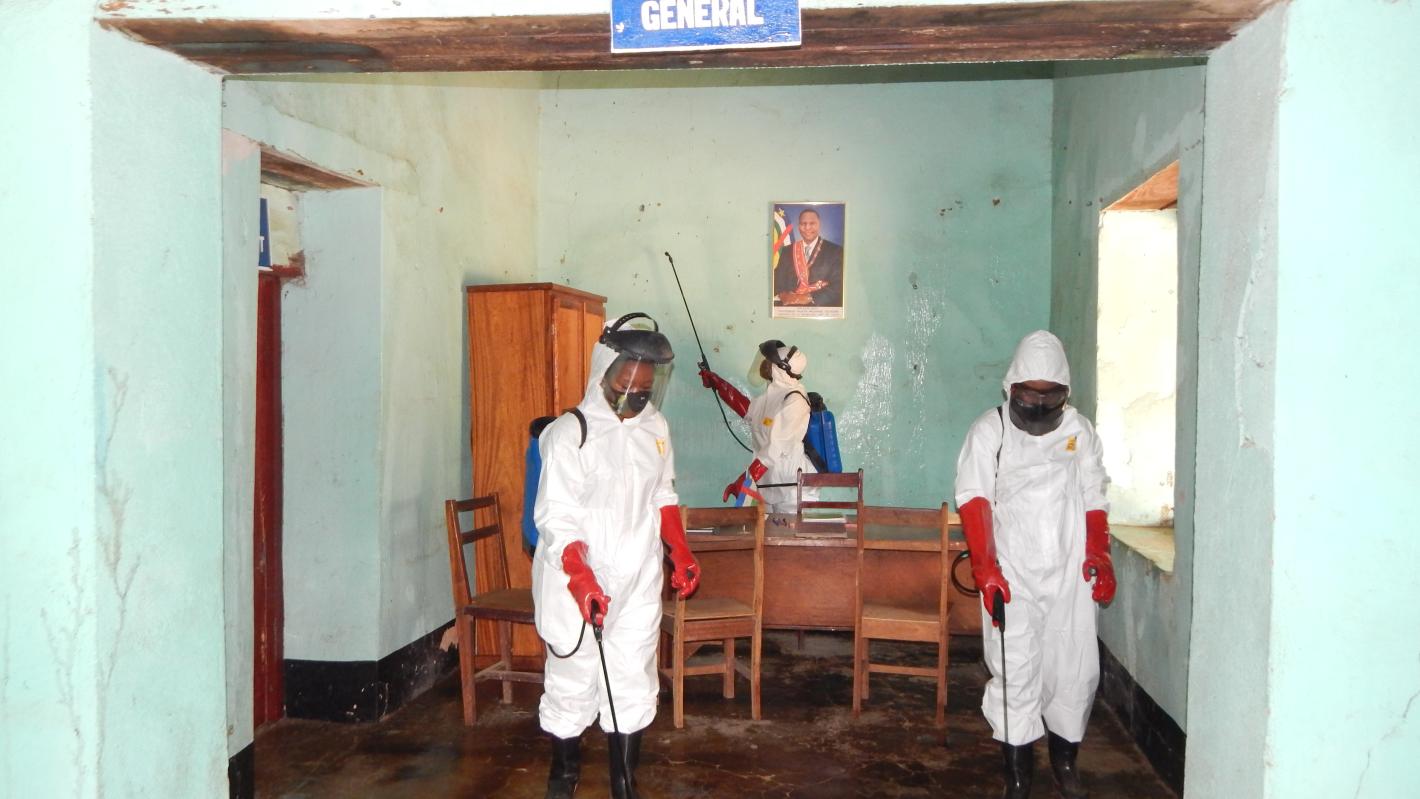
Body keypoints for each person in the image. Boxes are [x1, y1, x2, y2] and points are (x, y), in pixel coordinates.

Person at [531, 312, 701, 799]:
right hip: (575, 579)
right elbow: (557, 518)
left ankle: (624, 786)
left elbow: (662, 496)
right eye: (625, 385)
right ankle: (563, 780)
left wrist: (680, 550)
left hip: (638, 577)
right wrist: (581, 577)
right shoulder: (571, 433)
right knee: (572, 678)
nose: (634, 395)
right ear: (602, 373)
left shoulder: (656, 428)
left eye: (645, 387)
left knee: (632, 678)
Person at [953, 330, 1116, 799]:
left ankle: (1065, 763)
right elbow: (974, 497)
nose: (1040, 404)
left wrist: (1099, 553)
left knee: (1074, 669)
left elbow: (1093, 493)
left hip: (1069, 572)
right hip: (1012, 572)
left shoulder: (1079, 431)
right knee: (1016, 670)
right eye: (1030, 394)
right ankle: (1018, 777)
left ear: (1066, 391)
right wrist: (986, 569)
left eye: (1050, 395)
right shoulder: (991, 430)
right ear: (1012, 387)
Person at [698, 340, 818, 513]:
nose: (765, 364)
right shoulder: (774, 394)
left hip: (791, 487)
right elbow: (748, 409)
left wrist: (745, 479)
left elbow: (775, 449)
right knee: (765, 527)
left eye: (770, 361)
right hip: (769, 481)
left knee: (787, 530)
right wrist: (717, 383)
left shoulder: (795, 402)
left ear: (781, 369)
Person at [773, 207, 844, 308]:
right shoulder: (787, 251)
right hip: (790, 307)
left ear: (819, 225)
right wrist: (783, 295)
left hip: (820, 307)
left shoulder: (835, 251)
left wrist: (807, 297)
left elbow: (839, 286)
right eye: (803, 224)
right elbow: (777, 282)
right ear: (798, 226)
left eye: (812, 223)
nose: (807, 227)